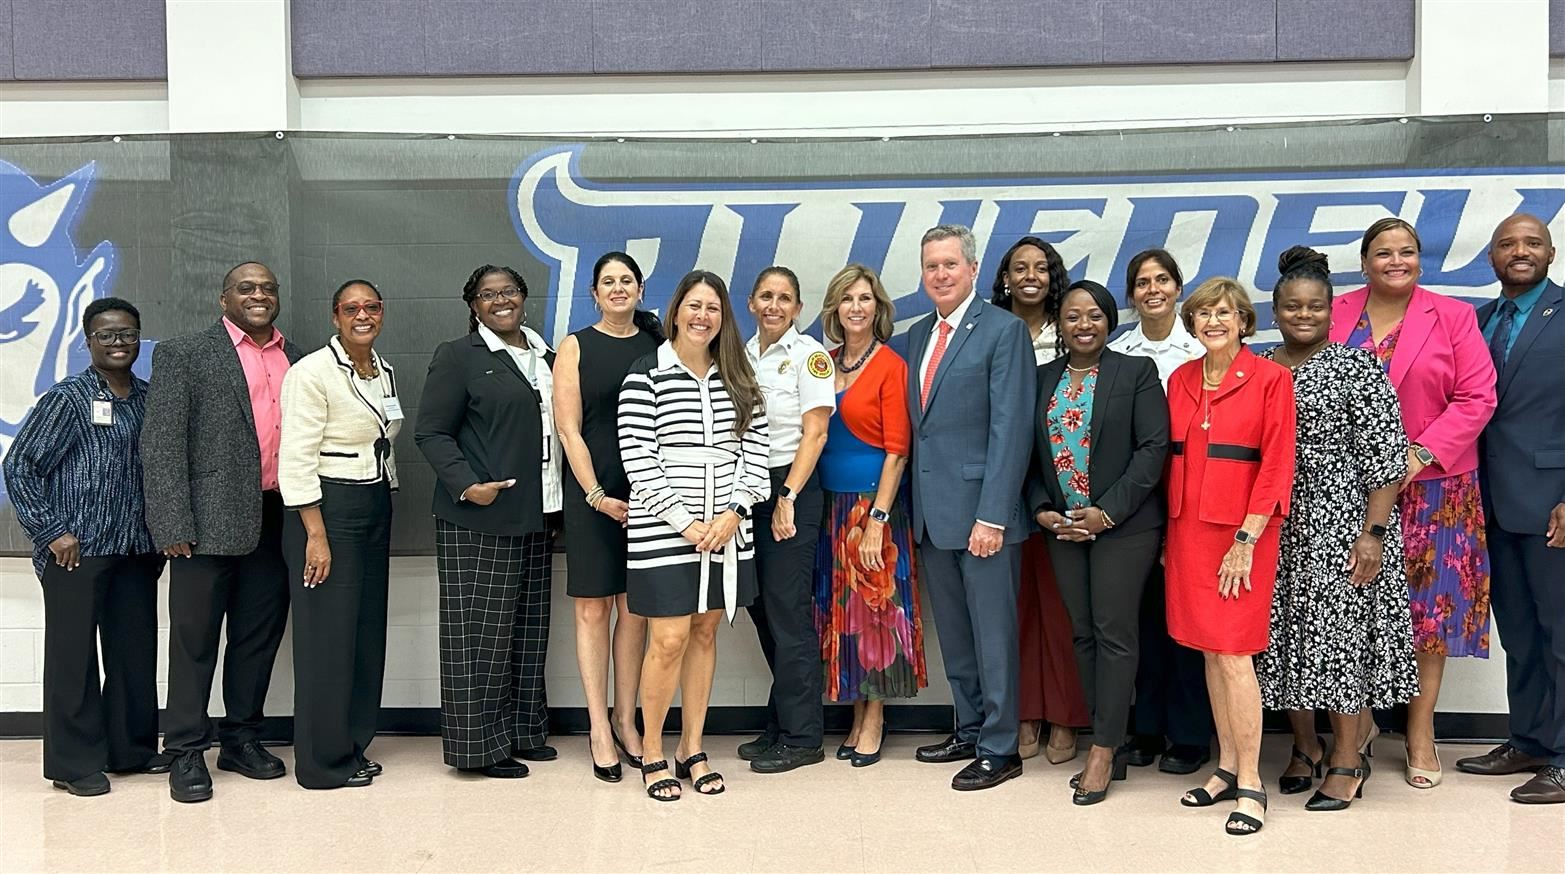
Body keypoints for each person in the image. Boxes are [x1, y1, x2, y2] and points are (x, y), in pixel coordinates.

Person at [1330, 217, 1497, 789]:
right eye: (1383, 252)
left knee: (1429, 614)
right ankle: (1361, 724)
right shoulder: (1334, 312)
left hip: (1435, 489)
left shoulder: (1451, 316)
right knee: (1351, 610)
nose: (1395, 261)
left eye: (1406, 252)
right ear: (1364, 261)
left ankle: (1420, 730)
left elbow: (1477, 396)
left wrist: (1418, 455)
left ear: (1420, 260)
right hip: (1347, 491)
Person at [1253, 247, 1419, 811]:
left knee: (1338, 645)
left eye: (1316, 307)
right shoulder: (1259, 368)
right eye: (1293, 306)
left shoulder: (1358, 368)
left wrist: (1372, 533)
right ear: (1275, 310)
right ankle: (1304, 748)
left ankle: (1348, 759)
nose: (1304, 315)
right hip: (1273, 528)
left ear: (1331, 312)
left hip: (1342, 527)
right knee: (1283, 644)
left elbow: (1387, 460)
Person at [141, 261, 303, 803]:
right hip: (203, 527)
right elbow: (160, 445)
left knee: (257, 639)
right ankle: (186, 750)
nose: (258, 295)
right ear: (224, 298)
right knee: (194, 642)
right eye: (246, 288)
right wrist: (171, 523)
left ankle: (241, 740)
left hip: (277, 519)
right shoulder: (185, 353)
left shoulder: (295, 358)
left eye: (267, 288)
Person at [3, 298, 165, 797]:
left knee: (134, 653)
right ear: (88, 341)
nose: (119, 343)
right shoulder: (68, 398)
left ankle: (131, 750)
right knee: (73, 659)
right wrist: (52, 531)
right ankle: (73, 765)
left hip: (137, 550)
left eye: (128, 334)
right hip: (76, 552)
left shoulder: (148, 396)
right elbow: (20, 465)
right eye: (107, 335)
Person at [619, 270, 770, 801]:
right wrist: (685, 521)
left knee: (705, 633)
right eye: (694, 305)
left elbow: (757, 456)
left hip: (728, 528)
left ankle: (692, 746)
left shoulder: (740, 378)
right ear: (676, 311)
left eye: (713, 307)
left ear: (723, 316)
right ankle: (654, 750)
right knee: (668, 639)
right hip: (665, 529)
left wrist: (734, 512)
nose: (703, 316)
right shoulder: (646, 375)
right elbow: (638, 459)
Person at [415, 264, 561, 779]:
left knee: (526, 630)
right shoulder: (459, 357)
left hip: (537, 515)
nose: (501, 300)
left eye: (510, 291)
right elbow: (430, 432)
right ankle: (479, 750)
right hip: (477, 517)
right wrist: (467, 485)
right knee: (478, 636)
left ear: (523, 297)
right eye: (488, 294)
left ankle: (521, 731)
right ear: (472, 304)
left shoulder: (548, 355)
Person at [1027, 280, 1169, 804]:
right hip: (1063, 528)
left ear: (1110, 321)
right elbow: (1029, 454)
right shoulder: (1041, 379)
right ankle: (1100, 734)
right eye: (1071, 317)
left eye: (1094, 316)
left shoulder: (1136, 373)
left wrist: (1105, 513)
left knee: (1113, 634)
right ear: (1059, 324)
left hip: (1123, 527)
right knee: (1082, 634)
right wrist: (1042, 509)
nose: (1083, 325)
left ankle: (1106, 748)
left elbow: (1152, 450)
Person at [905, 225, 1036, 791]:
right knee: (956, 635)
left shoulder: (1003, 331)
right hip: (932, 514)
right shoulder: (915, 337)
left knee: (993, 637)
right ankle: (971, 727)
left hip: (984, 517)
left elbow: (1011, 430)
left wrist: (994, 515)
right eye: (931, 265)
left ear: (973, 270)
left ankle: (1001, 746)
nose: (939, 274)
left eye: (949, 265)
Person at [1166, 277, 1295, 836]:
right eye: (1202, 315)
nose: (1212, 322)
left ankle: (1251, 782)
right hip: (1187, 531)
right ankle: (1223, 766)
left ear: (1244, 321)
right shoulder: (1180, 379)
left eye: (1223, 313)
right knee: (1209, 654)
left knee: (1235, 653)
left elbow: (1275, 465)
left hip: (1242, 534)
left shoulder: (1272, 379)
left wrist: (1246, 540)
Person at [1457, 214, 1565, 804]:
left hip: (1552, 504)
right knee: (1520, 634)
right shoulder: (1479, 320)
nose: (1519, 251)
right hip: (1491, 505)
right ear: (1491, 257)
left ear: (1550, 253)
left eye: (1531, 243)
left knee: (1562, 634)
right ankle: (1528, 739)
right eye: (1507, 244)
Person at [278, 280, 400, 790]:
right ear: (335, 317)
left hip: (373, 504)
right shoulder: (311, 372)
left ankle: (352, 743)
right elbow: (296, 459)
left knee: (364, 634)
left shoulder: (384, 369)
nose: (362, 315)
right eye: (351, 309)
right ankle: (321, 763)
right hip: (326, 512)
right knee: (327, 639)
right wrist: (316, 535)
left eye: (371, 306)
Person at [814, 264, 928, 768]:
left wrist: (878, 519)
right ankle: (857, 711)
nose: (856, 307)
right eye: (847, 299)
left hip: (871, 508)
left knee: (876, 613)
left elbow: (897, 451)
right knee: (844, 613)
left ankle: (876, 717)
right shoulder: (824, 361)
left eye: (865, 298)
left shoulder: (890, 365)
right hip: (830, 507)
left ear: (878, 308)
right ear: (834, 309)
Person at [554, 252, 661, 783]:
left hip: (651, 497)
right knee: (595, 610)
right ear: (594, 293)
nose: (618, 288)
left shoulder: (659, 347)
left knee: (635, 610)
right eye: (608, 282)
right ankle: (598, 727)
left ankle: (626, 717)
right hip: (592, 494)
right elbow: (569, 429)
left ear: (641, 289)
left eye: (627, 280)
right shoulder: (574, 347)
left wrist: (656, 494)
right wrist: (596, 494)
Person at [1109, 248, 1213, 775]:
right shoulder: (1118, 351)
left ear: (1177, 287)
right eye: (1142, 282)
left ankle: (1190, 736)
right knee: (1142, 621)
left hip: (1190, 502)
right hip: (1134, 505)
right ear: (1131, 295)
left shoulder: (1200, 351)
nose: (1153, 289)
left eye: (1163, 280)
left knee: (1186, 623)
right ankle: (1145, 729)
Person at [992, 236, 1088, 763]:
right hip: (1001, 486)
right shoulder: (984, 328)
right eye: (1018, 267)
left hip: (1060, 485)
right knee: (1015, 607)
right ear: (1005, 277)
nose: (1029, 275)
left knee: (1062, 608)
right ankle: (1025, 711)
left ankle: (1067, 717)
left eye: (1040, 267)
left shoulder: (1069, 330)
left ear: (1054, 276)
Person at [739, 266, 835, 773]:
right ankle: (782, 720)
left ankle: (803, 737)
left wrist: (788, 496)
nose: (774, 305)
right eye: (766, 296)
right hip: (746, 487)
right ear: (752, 303)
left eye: (785, 298)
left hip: (789, 488)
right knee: (761, 608)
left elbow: (814, 435)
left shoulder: (809, 357)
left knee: (789, 615)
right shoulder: (737, 355)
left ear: (798, 309)